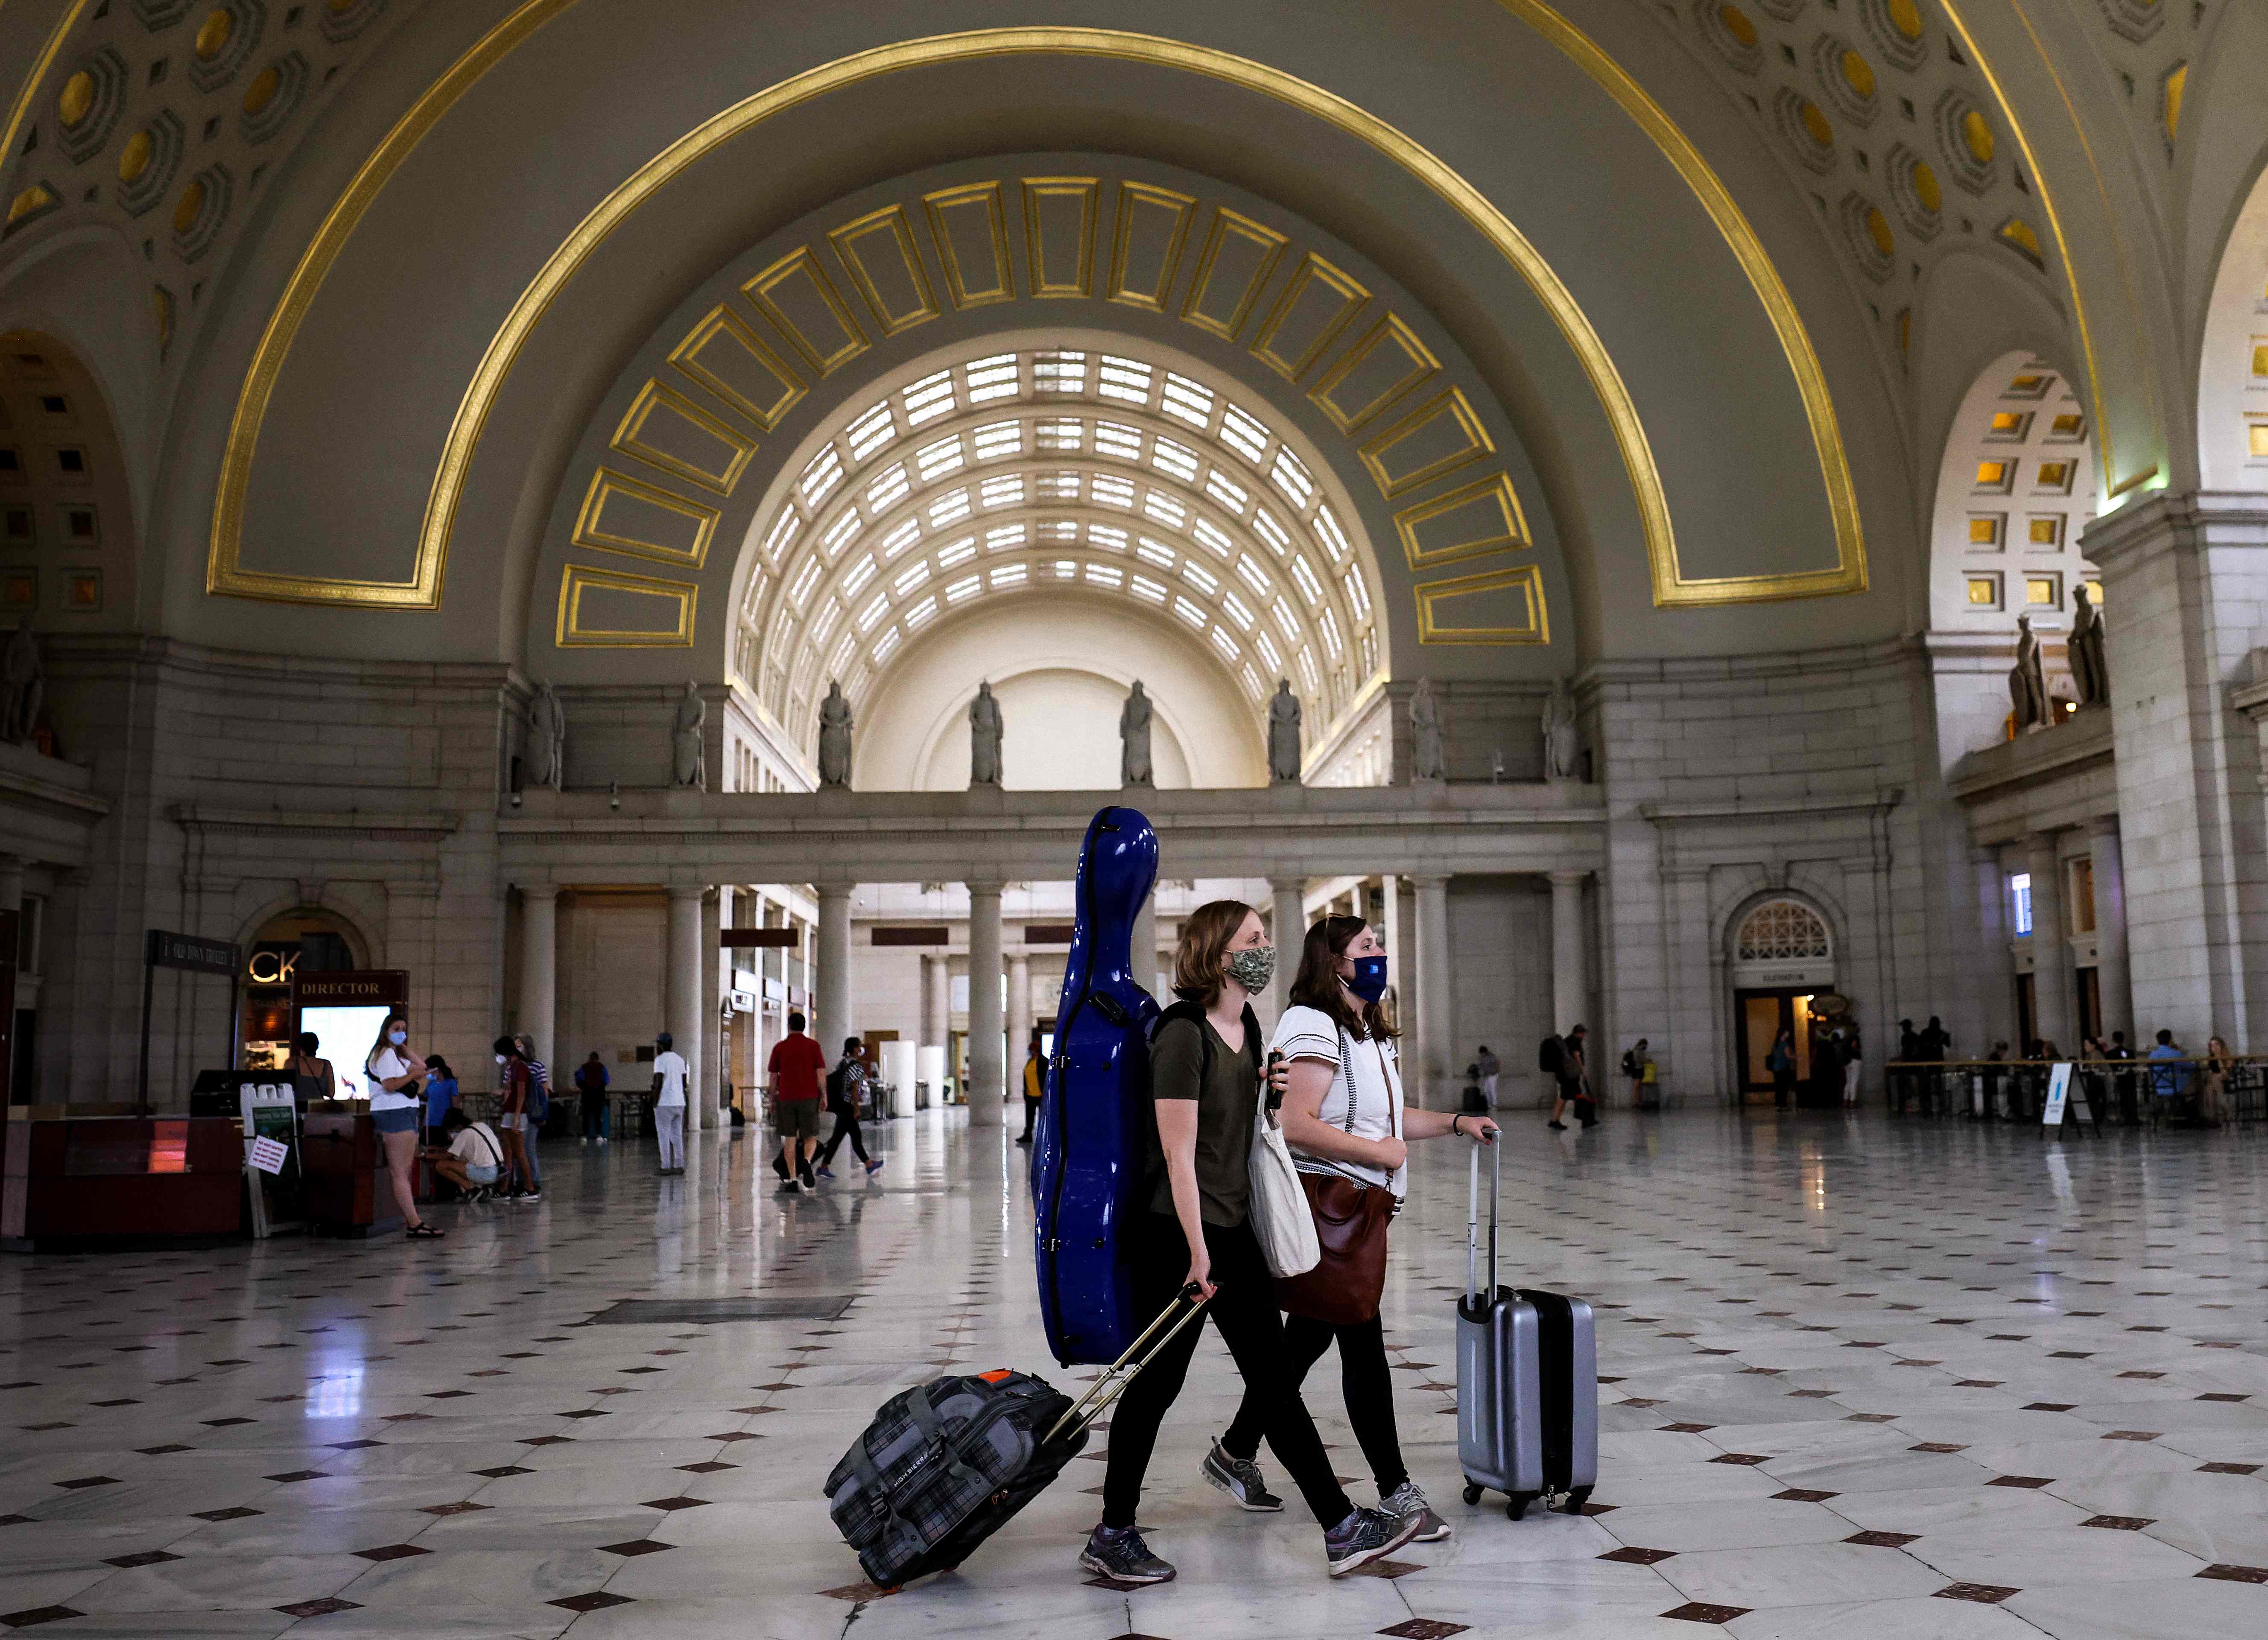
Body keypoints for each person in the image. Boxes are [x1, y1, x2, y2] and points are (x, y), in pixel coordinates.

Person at [1082, 900, 1418, 1585]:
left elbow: (1249, 1133)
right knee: (1155, 1388)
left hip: (1233, 1231)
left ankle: (1340, 1526)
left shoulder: (1250, 1028)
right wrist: (1198, 1253)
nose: (1266, 947)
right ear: (1218, 952)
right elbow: (1177, 1155)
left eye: (1264, 937)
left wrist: (1270, 1098)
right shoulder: (1182, 1035)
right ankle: (1113, 1531)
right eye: (1254, 938)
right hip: (1179, 1236)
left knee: (1273, 1381)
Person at [1213, 914, 1498, 1546]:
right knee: (1361, 1345)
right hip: (1331, 1211)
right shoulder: (1312, 1024)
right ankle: (1397, 1493)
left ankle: (1235, 1450)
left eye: (1380, 945)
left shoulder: (1365, 1030)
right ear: (1333, 961)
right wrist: (1380, 1156)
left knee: (1308, 1339)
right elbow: (1295, 1122)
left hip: (1360, 1214)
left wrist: (1456, 1121)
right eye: (1366, 947)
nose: (1380, 954)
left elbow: (1389, 1119)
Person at [366, 1011, 443, 1238]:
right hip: (393, 1111)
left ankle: (413, 1220)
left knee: (404, 1171)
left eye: (404, 1030)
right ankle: (414, 1222)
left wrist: (404, 1047)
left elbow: (422, 1066)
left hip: (403, 1110)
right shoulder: (385, 1054)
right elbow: (390, 1085)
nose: (402, 1033)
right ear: (385, 1032)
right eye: (397, 1029)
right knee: (400, 1172)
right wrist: (412, 1077)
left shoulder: (395, 1055)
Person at [767, 1009, 827, 1193]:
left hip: (786, 1098)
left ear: (789, 1026)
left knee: (790, 1140)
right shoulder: (813, 1046)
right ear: (804, 1027)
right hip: (809, 1097)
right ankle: (807, 1161)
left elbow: (773, 1078)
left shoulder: (780, 1047)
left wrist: (772, 1100)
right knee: (811, 1137)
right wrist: (824, 1095)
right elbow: (820, 1074)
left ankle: (792, 1179)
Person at [817, 1035, 885, 1179]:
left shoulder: (842, 1063)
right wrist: (856, 1108)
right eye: (859, 1046)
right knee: (855, 1136)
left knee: (837, 1138)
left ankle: (824, 1166)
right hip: (847, 1106)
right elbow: (854, 1088)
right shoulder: (856, 1066)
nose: (861, 1049)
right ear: (855, 1049)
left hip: (841, 1105)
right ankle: (868, 1164)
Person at [424, 1108, 505, 1202]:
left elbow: (446, 1156)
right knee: (462, 1161)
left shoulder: (465, 1133)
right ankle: (482, 1187)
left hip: (487, 1173)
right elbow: (454, 1149)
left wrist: (425, 1155)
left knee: (441, 1165)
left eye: (451, 1131)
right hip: (499, 1170)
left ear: (458, 1127)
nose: (450, 1134)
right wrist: (437, 1149)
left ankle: (471, 1189)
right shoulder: (481, 1126)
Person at [493, 1035, 538, 1201]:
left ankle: (530, 1187)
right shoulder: (512, 1067)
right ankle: (505, 1187)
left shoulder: (521, 1068)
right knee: (508, 1152)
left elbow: (521, 1093)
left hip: (517, 1113)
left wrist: (517, 1117)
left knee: (520, 1152)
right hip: (510, 1112)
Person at [514, 1033, 548, 1193]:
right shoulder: (511, 1067)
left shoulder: (538, 1066)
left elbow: (544, 1091)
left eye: (519, 1046)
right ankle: (519, 1180)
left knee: (528, 1148)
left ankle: (534, 1181)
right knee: (516, 1149)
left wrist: (543, 1113)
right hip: (515, 1113)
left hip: (531, 1113)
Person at [650, 1030, 688, 1176]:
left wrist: (655, 1101)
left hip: (665, 1102)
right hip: (680, 1102)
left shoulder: (660, 1060)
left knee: (664, 1135)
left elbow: (659, 1081)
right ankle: (679, 1165)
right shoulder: (680, 1060)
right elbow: (684, 1083)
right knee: (677, 1135)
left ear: (660, 1045)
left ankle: (665, 1166)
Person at [1546, 1024, 1590, 1130]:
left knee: (1567, 1097)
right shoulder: (1575, 1042)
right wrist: (1584, 1071)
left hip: (1565, 1075)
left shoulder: (1567, 1041)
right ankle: (1585, 1120)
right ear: (1578, 1033)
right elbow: (1577, 1057)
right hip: (1570, 1076)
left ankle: (1556, 1120)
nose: (1584, 1035)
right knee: (1570, 1097)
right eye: (1582, 1033)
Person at [287, 1032, 336, 1103]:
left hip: (298, 1108)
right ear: (317, 1047)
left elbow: (286, 1089)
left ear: (299, 1047)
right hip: (318, 1109)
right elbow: (331, 1093)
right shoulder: (326, 1065)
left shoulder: (292, 1063)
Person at [574, 1051, 611, 1143]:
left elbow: (579, 1079)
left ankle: (585, 1135)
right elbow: (606, 1081)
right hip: (599, 1094)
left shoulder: (584, 1068)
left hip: (587, 1094)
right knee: (598, 1115)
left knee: (586, 1115)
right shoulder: (602, 1068)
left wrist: (584, 1086)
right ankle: (599, 1135)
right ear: (598, 1059)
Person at [2146, 1028, 2185, 1114]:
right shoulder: (2176, 1054)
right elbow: (2189, 1066)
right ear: (2171, 1040)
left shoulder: (2153, 1055)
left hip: (2158, 1087)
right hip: (2175, 1087)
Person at [421, 1055, 458, 1142]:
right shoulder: (431, 1083)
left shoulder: (451, 1083)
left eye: (429, 1070)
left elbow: (455, 1105)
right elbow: (425, 1096)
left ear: (437, 1069)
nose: (428, 1073)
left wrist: (452, 1125)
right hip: (429, 1122)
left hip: (443, 1123)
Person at [2198, 1035, 2233, 1126]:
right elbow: (2205, 1066)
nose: (2215, 1047)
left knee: (2215, 1080)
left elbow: (2225, 1071)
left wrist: (2219, 1058)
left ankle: (2217, 1115)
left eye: (2217, 1044)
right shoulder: (2210, 1058)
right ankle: (2213, 1117)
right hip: (2214, 1081)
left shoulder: (2228, 1057)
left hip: (2224, 1078)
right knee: (2209, 1090)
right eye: (2212, 1045)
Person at [1017, 1035, 1044, 1144]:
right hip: (1030, 1095)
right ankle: (1028, 1135)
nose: (1029, 1052)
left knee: (1043, 1117)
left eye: (1030, 1050)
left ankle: (1045, 1136)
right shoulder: (1030, 1062)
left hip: (1041, 1095)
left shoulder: (1043, 1061)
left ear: (1035, 1050)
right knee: (1029, 1118)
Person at [1767, 1025, 1795, 1110]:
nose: (1788, 1033)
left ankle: (1778, 1104)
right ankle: (1783, 1104)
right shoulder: (1784, 1043)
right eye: (1787, 1032)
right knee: (1784, 1086)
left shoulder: (1776, 1043)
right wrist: (1797, 1057)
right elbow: (1788, 1056)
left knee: (1779, 1087)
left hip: (1776, 1068)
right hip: (1784, 1068)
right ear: (1784, 1033)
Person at [1620, 1038, 1648, 1108]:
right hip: (1637, 1069)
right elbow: (1637, 1060)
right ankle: (1636, 1101)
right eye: (1645, 1045)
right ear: (1642, 1044)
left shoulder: (1640, 1050)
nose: (1645, 1047)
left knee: (1638, 1086)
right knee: (1637, 1086)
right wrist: (1645, 1061)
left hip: (1640, 1069)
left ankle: (1637, 1101)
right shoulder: (1638, 1050)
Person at [1841, 1026, 1862, 1108]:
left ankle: (1845, 1101)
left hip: (1847, 1062)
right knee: (1854, 1081)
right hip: (1855, 1060)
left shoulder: (1845, 1039)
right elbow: (1854, 1046)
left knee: (1848, 1082)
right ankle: (1852, 1101)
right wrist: (1858, 1051)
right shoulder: (1855, 1037)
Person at [1475, 1044, 1500, 1109]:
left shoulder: (1492, 1057)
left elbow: (1497, 1064)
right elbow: (1481, 1066)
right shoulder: (1482, 1058)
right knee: (1487, 1090)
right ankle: (1489, 1105)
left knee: (1492, 1089)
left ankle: (1495, 1104)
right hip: (1486, 1075)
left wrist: (1495, 1071)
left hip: (1493, 1075)